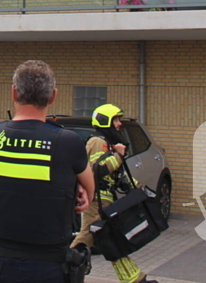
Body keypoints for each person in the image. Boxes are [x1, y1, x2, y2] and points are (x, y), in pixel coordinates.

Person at [0, 60, 95, 283]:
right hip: (47, 266)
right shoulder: (66, 141)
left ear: (14, 92)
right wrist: (75, 185)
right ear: (53, 96)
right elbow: (90, 190)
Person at [71, 104, 157, 283]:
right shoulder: (97, 142)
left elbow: (117, 175)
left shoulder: (107, 144)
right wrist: (118, 156)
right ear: (105, 122)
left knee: (110, 241)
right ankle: (61, 269)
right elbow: (98, 170)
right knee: (97, 239)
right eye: (116, 120)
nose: (119, 124)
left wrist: (138, 188)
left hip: (104, 201)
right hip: (96, 201)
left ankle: (134, 278)